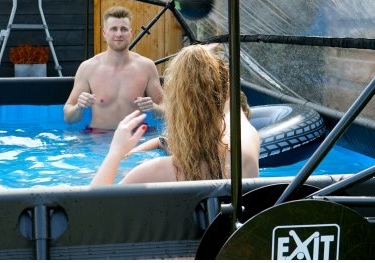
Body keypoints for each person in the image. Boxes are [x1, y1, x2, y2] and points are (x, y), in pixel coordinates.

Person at [91, 44, 261, 186]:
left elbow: (93, 208)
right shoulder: (246, 145)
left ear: (173, 104)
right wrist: (207, 69)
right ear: (226, 93)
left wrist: (115, 154)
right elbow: (233, 110)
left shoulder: (152, 173)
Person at [63, 6, 164, 130]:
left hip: (136, 136)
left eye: (124, 29)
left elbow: (167, 112)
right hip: (98, 137)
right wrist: (79, 107)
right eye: (113, 29)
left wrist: (154, 108)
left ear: (131, 33)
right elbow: (68, 117)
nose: (119, 34)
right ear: (104, 33)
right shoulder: (88, 68)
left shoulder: (146, 67)